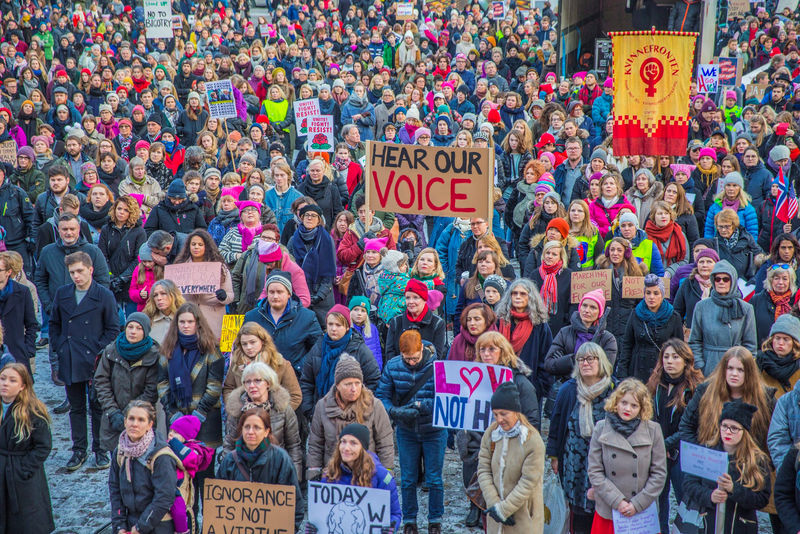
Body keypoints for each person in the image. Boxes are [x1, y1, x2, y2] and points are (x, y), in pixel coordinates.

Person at [50, 251, 119, 471]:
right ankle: (79, 449)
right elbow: (54, 323)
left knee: (98, 406)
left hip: (95, 360)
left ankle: (100, 450)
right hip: (70, 357)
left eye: (80, 271)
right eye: (72, 272)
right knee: (76, 408)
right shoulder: (63, 294)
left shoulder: (104, 295)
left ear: (90, 269)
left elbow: (113, 329)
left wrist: (99, 351)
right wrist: (60, 346)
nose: (76, 276)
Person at [376, 329, 443, 534]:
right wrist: (394, 411)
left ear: (422, 348)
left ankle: (435, 519)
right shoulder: (393, 366)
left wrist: (424, 406)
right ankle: (410, 519)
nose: (412, 362)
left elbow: (445, 399)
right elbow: (382, 396)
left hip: (434, 429)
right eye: (407, 359)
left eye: (414, 358)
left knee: (434, 478)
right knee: (407, 478)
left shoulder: (437, 367)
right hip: (406, 430)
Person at [546, 342, 615, 534]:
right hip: (574, 462)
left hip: (604, 462)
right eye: (581, 359)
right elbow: (556, 425)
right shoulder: (568, 390)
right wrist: (554, 456)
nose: (585, 363)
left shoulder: (613, 389)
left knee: (602, 509)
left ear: (601, 361)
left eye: (591, 358)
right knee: (578, 514)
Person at [587, 378, 667, 533]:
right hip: (609, 511)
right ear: (616, 402)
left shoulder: (653, 430)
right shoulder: (601, 428)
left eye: (634, 405)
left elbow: (659, 473)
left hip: (641, 513)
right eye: (624, 403)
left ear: (642, 408)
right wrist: (618, 501)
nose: (627, 409)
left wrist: (637, 504)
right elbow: (595, 471)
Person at [682, 400, 772, 534]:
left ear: (744, 431)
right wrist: (709, 496)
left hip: (741, 527)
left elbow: (762, 499)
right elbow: (689, 484)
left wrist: (734, 489)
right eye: (724, 426)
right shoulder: (706, 452)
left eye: (734, 428)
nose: (728, 432)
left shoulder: (757, 460)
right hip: (707, 525)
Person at [645, 339, 704, 534]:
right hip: (658, 451)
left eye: (675, 357)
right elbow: (648, 417)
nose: (670, 361)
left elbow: (691, 427)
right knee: (658, 501)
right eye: (666, 357)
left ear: (686, 361)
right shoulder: (655, 383)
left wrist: (667, 445)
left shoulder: (695, 388)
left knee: (684, 499)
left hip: (683, 452)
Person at [215, 407, 304, 530]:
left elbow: (295, 506)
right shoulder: (229, 460)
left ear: (267, 431)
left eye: (257, 427)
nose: (251, 432)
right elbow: (217, 505)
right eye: (247, 427)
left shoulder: (281, 458)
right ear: (241, 430)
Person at [307, 355, 394, 479]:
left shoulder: (375, 405)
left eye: (357, 383)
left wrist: (387, 474)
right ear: (337, 385)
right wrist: (314, 473)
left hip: (366, 475)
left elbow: (385, 443)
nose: (354, 389)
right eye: (348, 384)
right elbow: (316, 443)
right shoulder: (322, 406)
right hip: (333, 474)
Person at [477, 381, 546, 534]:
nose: (499, 419)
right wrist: (495, 505)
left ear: (516, 411)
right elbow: (483, 470)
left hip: (524, 517)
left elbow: (528, 481)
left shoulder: (532, 440)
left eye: (503, 414)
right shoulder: (491, 433)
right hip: (496, 519)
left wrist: (505, 509)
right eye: (495, 414)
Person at [311, 423, 401, 533]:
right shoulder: (330, 473)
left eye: (353, 443)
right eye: (343, 441)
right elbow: (322, 512)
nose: (346, 448)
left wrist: (391, 527)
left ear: (363, 448)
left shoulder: (382, 476)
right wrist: (314, 527)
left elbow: (395, 514)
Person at [157, 303, 224, 449]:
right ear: (176, 324)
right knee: (179, 468)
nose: (186, 326)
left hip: (205, 418)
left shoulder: (211, 350)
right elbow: (162, 383)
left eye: (190, 322)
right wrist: (173, 414)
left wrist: (197, 416)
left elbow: (214, 387)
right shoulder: (168, 350)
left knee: (205, 469)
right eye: (182, 322)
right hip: (176, 417)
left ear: (198, 323)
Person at [300, 304, 381, 421]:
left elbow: (374, 381)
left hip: (351, 417)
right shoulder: (318, 347)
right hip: (320, 415)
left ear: (347, 327)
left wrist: (359, 410)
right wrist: (310, 411)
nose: (333, 329)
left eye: (338, 325)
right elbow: (307, 381)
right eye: (330, 324)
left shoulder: (359, 349)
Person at [93, 312, 160, 454]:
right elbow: (101, 381)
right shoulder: (111, 350)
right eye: (130, 327)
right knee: (117, 463)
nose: (133, 331)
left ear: (145, 332)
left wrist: (129, 415)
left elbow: (151, 390)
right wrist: (113, 412)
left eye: (138, 328)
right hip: (113, 417)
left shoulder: (153, 354)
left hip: (141, 419)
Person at [0, 362, 54, 534]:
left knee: (26, 523)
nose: (5, 383)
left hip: (23, 477)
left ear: (23, 386)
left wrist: (23, 469)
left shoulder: (33, 411)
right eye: (2, 378)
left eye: (12, 380)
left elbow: (43, 446)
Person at [108, 400, 178, 534]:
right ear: (125, 421)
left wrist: (141, 527)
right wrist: (119, 525)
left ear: (150, 425)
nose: (134, 424)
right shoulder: (120, 451)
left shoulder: (161, 456)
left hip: (158, 524)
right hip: (130, 522)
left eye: (141, 420)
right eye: (131, 418)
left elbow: (164, 497)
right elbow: (115, 488)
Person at [223, 362, 303, 476]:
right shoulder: (237, 410)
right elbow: (229, 445)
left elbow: (293, 446)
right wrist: (228, 474)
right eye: (248, 382)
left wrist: (294, 476)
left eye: (257, 380)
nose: (252, 385)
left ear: (268, 383)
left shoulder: (283, 409)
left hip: (276, 471)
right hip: (243, 473)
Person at [243, 270, 323, 378]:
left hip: (294, 379)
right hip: (259, 379)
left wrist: (299, 368)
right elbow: (242, 346)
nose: (275, 296)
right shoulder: (252, 317)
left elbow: (318, 348)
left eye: (280, 292)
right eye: (271, 292)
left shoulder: (307, 317)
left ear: (289, 293)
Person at [689, 261, 757, 375]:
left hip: (736, 368)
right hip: (709, 366)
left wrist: (742, 368)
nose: (721, 282)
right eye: (717, 279)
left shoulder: (745, 308)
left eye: (726, 279)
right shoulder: (702, 306)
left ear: (733, 281)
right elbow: (694, 341)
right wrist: (700, 366)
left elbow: (750, 345)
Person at [495, 278, 554, 405]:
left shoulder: (540, 326)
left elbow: (547, 358)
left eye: (522, 294)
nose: (517, 297)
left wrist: (538, 388)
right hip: (501, 386)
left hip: (529, 387)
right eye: (514, 293)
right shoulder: (499, 322)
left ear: (531, 297)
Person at [615, 274, 682, 382]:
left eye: (656, 293)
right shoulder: (635, 314)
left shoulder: (673, 317)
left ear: (662, 295)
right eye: (648, 293)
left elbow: (679, 348)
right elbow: (627, 344)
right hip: (637, 370)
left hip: (663, 372)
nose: (651, 297)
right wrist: (622, 373)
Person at [221, 321, 301, 409]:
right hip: (244, 418)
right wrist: (238, 410)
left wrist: (277, 415)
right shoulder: (237, 363)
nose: (249, 347)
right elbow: (228, 389)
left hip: (273, 419)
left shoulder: (280, 363)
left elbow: (295, 396)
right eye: (244, 344)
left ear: (262, 341)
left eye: (252, 342)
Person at [173, 229, 234, 339]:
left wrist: (223, 296)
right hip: (188, 318)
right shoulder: (180, 267)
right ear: (188, 246)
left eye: (200, 244)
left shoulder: (220, 268)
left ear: (207, 246)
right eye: (193, 244)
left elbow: (230, 296)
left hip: (212, 319)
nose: (196, 247)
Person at [545, 288, 617, 377]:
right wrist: (573, 360)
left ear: (600, 312)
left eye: (593, 307)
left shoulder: (607, 338)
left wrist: (568, 361)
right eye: (584, 305)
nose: (587, 310)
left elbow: (606, 369)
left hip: (595, 387)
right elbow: (549, 364)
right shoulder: (565, 332)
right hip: (567, 385)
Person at [288, 203, 337, 325]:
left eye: (313, 216)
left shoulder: (326, 239)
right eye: (307, 215)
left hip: (322, 298)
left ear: (319, 220)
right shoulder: (293, 239)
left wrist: (319, 295)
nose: (310, 218)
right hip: (300, 296)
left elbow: (330, 271)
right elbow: (289, 267)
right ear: (301, 218)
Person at [384, 279, 447, 360]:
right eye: (407, 298)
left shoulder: (437, 323)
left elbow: (437, 355)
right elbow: (390, 353)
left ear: (424, 299)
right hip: (399, 371)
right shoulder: (396, 322)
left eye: (415, 298)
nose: (411, 301)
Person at [0, 251, 37, 373]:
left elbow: (31, 323)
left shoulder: (23, 291)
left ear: (8, 272)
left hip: (17, 351)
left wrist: (28, 349)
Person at [673, 247, 719, 328]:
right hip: (692, 334)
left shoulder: (722, 282)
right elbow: (677, 311)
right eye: (701, 262)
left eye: (709, 262)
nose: (704, 265)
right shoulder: (688, 283)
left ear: (716, 264)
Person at [758, 314, 800, 397]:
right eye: (777, 338)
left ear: (794, 343)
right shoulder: (759, 362)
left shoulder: (798, 366)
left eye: (786, 339)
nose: (780, 343)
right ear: (771, 340)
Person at [143, 280, 186, 345]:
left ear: (173, 295)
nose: (159, 298)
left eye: (163, 293)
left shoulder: (185, 317)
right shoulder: (147, 319)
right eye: (155, 295)